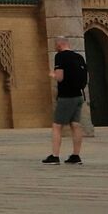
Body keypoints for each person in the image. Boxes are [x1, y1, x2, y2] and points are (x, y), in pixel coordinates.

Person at [44, 36, 86, 165]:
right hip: (79, 95)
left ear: (60, 45)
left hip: (66, 96)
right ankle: (75, 155)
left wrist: (52, 75)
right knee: (75, 125)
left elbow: (60, 77)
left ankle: (55, 156)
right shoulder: (79, 57)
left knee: (57, 126)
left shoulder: (60, 57)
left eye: (56, 45)